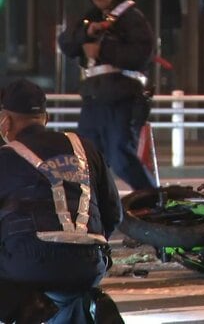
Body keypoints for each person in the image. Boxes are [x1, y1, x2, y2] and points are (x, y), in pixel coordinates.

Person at [0, 79, 123, 323]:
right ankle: (90, 305)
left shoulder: (5, 157)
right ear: (45, 118)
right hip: (89, 265)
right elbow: (114, 214)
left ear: (6, 121)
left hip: (29, 265)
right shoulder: (84, 148)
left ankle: (26, 310)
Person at [58, 0, 156, 191]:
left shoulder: (131, 17)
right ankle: (94, 210)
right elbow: (66, 42)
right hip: (94, 99)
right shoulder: (91, 18)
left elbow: (142, 53)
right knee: (85, 158)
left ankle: (153, 204)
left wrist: (103, 50)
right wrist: (85, 33)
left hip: (123, 98)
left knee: (120, 155)